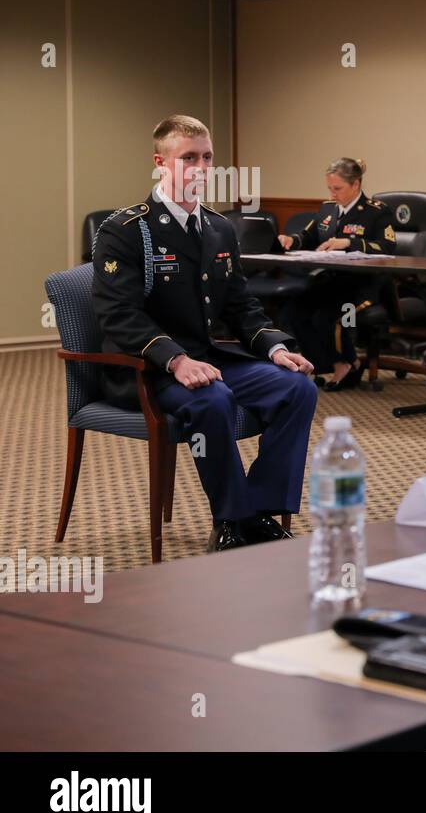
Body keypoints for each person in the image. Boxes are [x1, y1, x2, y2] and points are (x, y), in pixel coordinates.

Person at [92, 114, 318, 553]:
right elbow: (117, 314)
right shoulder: (123, 230)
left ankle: (260, 512)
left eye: (207, 158)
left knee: (297, 388)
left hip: (211, 358)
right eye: (188, 158)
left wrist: (274, 347)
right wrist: (175, 359)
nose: (200, 168)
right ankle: (231, 520)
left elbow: (240, 306)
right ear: (161, 163)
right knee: (214, 401)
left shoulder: (219, 227)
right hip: (150, 368)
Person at [277, 158, 396, 390]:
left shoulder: (376, 212)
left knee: (329, 317)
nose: (332, 194)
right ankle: (324, 364)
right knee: (293, 312)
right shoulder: (328, 209)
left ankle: (347, 362)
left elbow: (387, 247)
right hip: (331, 282)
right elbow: (308, 235)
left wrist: (349, 242)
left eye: (338, 189)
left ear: (356, 185)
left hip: (364, 286)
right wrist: (292, 240)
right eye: (330, 188)